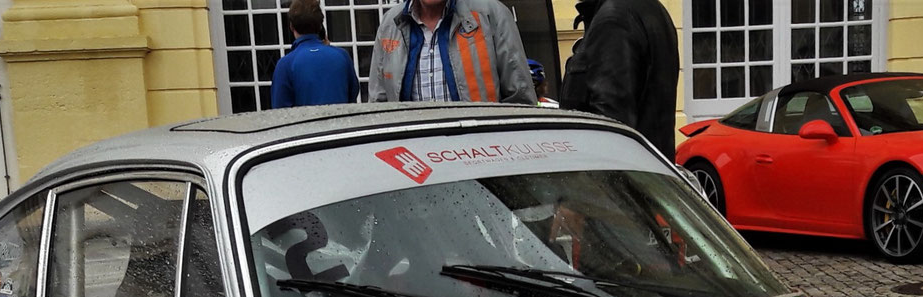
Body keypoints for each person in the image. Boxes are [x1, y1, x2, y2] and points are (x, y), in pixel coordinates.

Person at [559, 0, 679, 155]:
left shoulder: (614, 19)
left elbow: (611, 128)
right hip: (648, 170)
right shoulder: (647, 10)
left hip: (622, 173)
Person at [366, 0, 533, 105]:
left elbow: (520, 98)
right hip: (414, 153)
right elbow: (378, 104)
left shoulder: (491, 14)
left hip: (480, 151)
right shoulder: (390, 23)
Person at [270, 0, 359, 109]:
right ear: (320, 25)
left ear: (291, 26)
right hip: (341, 123)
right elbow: (352, 95)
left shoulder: (285, 65)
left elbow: (280, 111)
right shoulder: (342, 56)